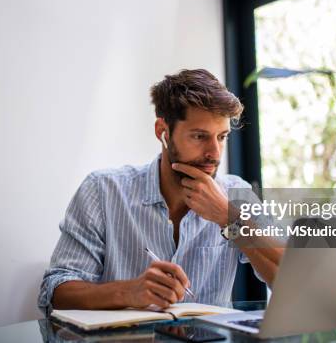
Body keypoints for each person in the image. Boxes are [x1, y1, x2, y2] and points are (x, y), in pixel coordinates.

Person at [38, 69, 284, 315]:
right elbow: (56, 291)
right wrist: (129, 292)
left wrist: (229, 218)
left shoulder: (235, 195)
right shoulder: (102, 191)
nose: (215, 153)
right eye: (200, 136)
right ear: (162, 132)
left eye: (221, 137)